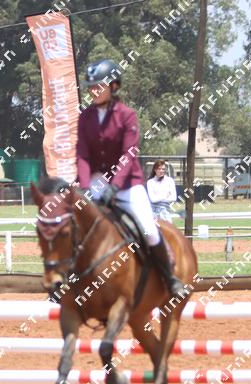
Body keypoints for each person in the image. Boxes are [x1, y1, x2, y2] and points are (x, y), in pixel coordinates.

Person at [75, 59, 185, 297]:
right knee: (73, 223)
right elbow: (82, 154)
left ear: (113, 86)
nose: (93, 90)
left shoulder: (127, 115)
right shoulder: (85, 117)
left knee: (148, 229)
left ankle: (169, 278)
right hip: (96, 181)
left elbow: (128, 154)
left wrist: (115, 186)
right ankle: (65, 281)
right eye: (91, 87)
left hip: (127, 185)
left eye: (98, 86)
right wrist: (84, 187)